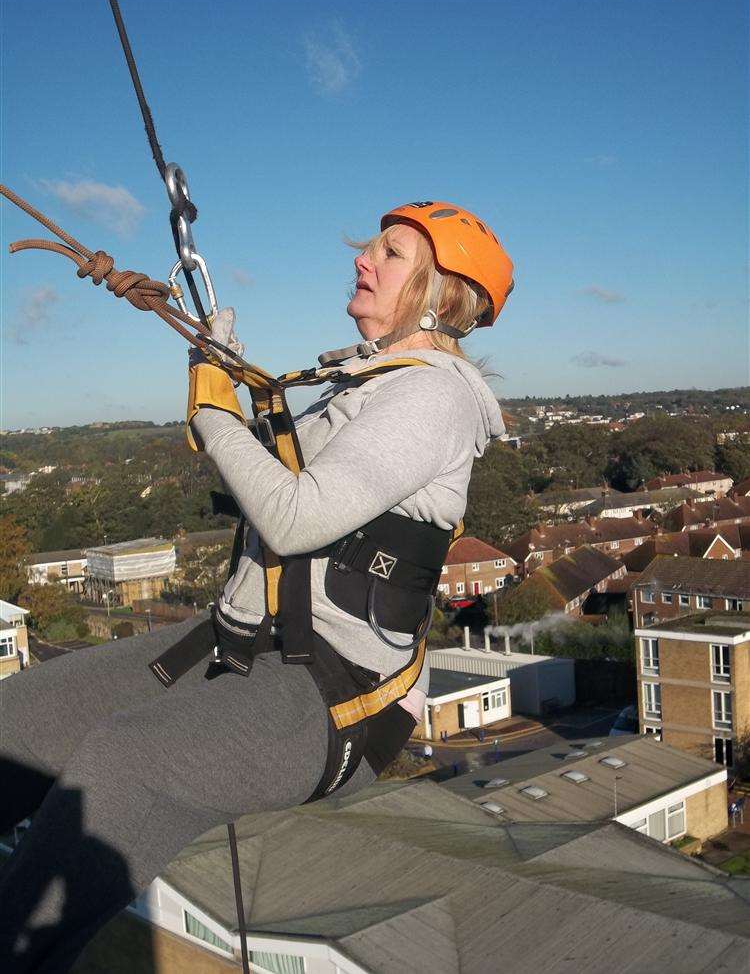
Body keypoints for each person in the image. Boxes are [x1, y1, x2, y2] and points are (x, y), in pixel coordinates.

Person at [0, 201, 513, 972]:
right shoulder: (358, 384)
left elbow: (293, 517)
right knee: (16, 727)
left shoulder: (432, 396)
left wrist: (215, 409)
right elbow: (273, 466)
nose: (363, 261)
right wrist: (219, 373)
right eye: (371, 247)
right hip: (240, 641)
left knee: (123, 761)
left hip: (335, 693)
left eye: (392, 254)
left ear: (442, 295)